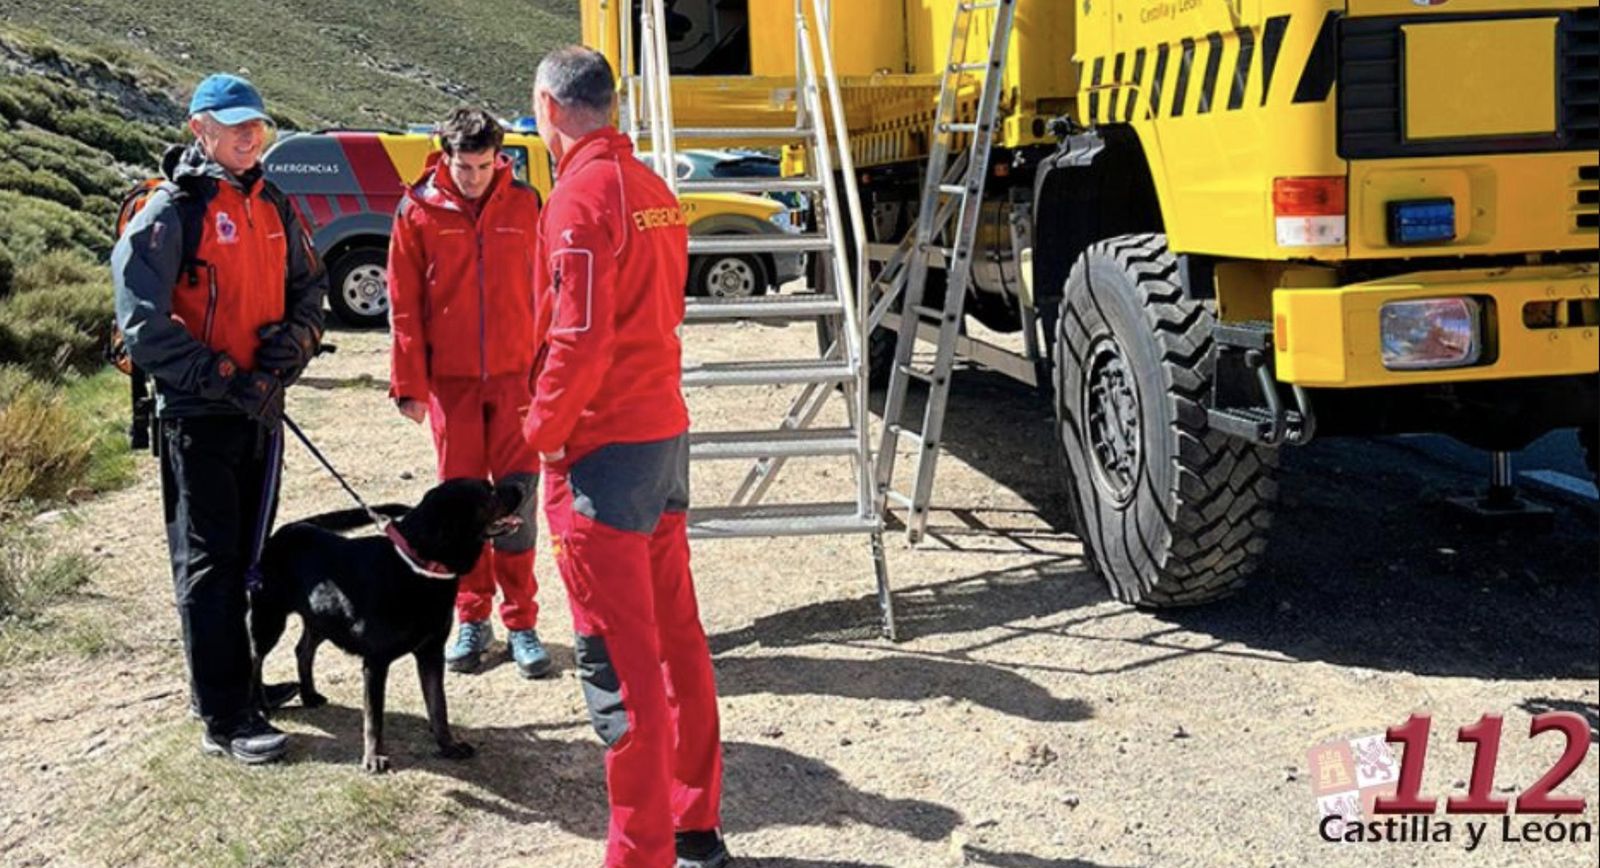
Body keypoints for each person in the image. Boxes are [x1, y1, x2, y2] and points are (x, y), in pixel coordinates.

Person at [528, 46, 728, 868]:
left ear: (547, 108)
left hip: (602, 451)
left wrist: (539, 434)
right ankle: (695, 821)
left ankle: (637, 849)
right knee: (677, 637)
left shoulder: (576, 200)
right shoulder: (652, 191)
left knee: (619, 656)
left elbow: (576, 340)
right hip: (661, 437)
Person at [112, 73, 326, 764]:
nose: (249, 134)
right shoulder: (170, 211)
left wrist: (289, 352)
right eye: (233, 123)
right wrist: (220, 378)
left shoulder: (274, 204)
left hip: (260, 407)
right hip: (199, 414)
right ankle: (224, 717)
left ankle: (239, 684)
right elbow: (141, 320)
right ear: (198, 127)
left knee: (248, 556)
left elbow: (311, 287)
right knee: (209, 562)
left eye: (257, 123)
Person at [387, 107, 551, 678]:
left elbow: (550, 289)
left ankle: (522, 622)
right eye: (465, 165)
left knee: (515, 504)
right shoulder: (417, 210)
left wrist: (549, 368)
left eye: (485, 164)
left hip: (516, 382)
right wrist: (407, 383)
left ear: (499, 158)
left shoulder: (527, 204)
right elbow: (403, 303)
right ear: (445, 155)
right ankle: (471, 617)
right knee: (461, 508)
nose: (475, 176)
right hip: (451, 387)